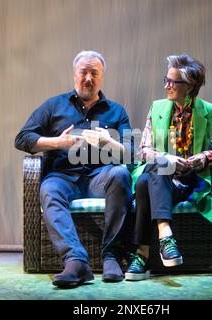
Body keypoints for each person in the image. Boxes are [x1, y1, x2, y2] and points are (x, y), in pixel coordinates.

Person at [15, 50, 134, 288]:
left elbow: (131, 153)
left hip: (99, 178)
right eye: (83, 72)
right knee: (48, 190)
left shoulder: (116, 111)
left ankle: (111, 255)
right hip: (62, 177)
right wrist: (56, 142)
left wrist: (108, 142)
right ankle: (76, 260)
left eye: (94, 73)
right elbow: (22, 139)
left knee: (120, 174)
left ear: (101, 77)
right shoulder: (54, 105)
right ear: (75, 74)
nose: (88, 78)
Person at [126, 54, 212, 281]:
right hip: (163, 177)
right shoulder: (156, 108)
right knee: (158, 166)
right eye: (165, 79)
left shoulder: (207, 111)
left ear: (189, 86)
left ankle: (142, 257)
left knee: (147, 182)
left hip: (189, 183)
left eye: (172, 82)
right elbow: (143, 150)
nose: (166, 85)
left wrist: (205, 157)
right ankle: (165, 238)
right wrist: (167, 158)